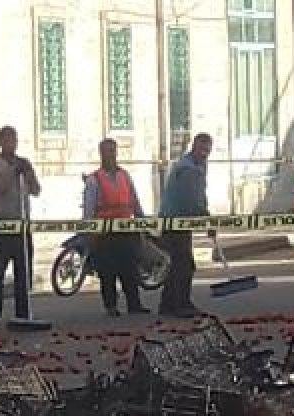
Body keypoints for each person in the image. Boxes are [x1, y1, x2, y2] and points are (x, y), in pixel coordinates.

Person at [0, 126, 41, 330]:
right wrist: (12, 173)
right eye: (7, 140)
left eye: (13, 140)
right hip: (1, 225)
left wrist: (28, 173)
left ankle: (23, 314)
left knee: (23, 272)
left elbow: (36, 190)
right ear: (0, 142)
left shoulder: (23, 163)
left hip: (21, 225)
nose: (11, 144)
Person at [84, 139, 150, 317]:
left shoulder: (124, 176)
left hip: (126, 230)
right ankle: (111, 306)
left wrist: (143, 222)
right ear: (101, 154)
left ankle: (134, 304)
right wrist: (90, 233)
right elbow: (89, 209)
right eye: (106, 151)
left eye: (113, 151)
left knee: (130, 268)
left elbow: (134, 201)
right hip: (105, 233)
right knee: (107, 271)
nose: (110, 155)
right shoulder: (94, 179)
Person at [158, 133, 213, 318]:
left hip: (180, 220)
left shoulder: (197, 165)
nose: (204, 154)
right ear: (194, 147)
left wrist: (206, 215)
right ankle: (180, 304)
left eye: (207, 150)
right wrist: (207, 219)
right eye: (201, 149)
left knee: (178, 262)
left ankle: (168, 304)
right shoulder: (188, 169)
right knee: (183, 264)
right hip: (174, 220)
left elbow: (200, 194)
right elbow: (191, 200)